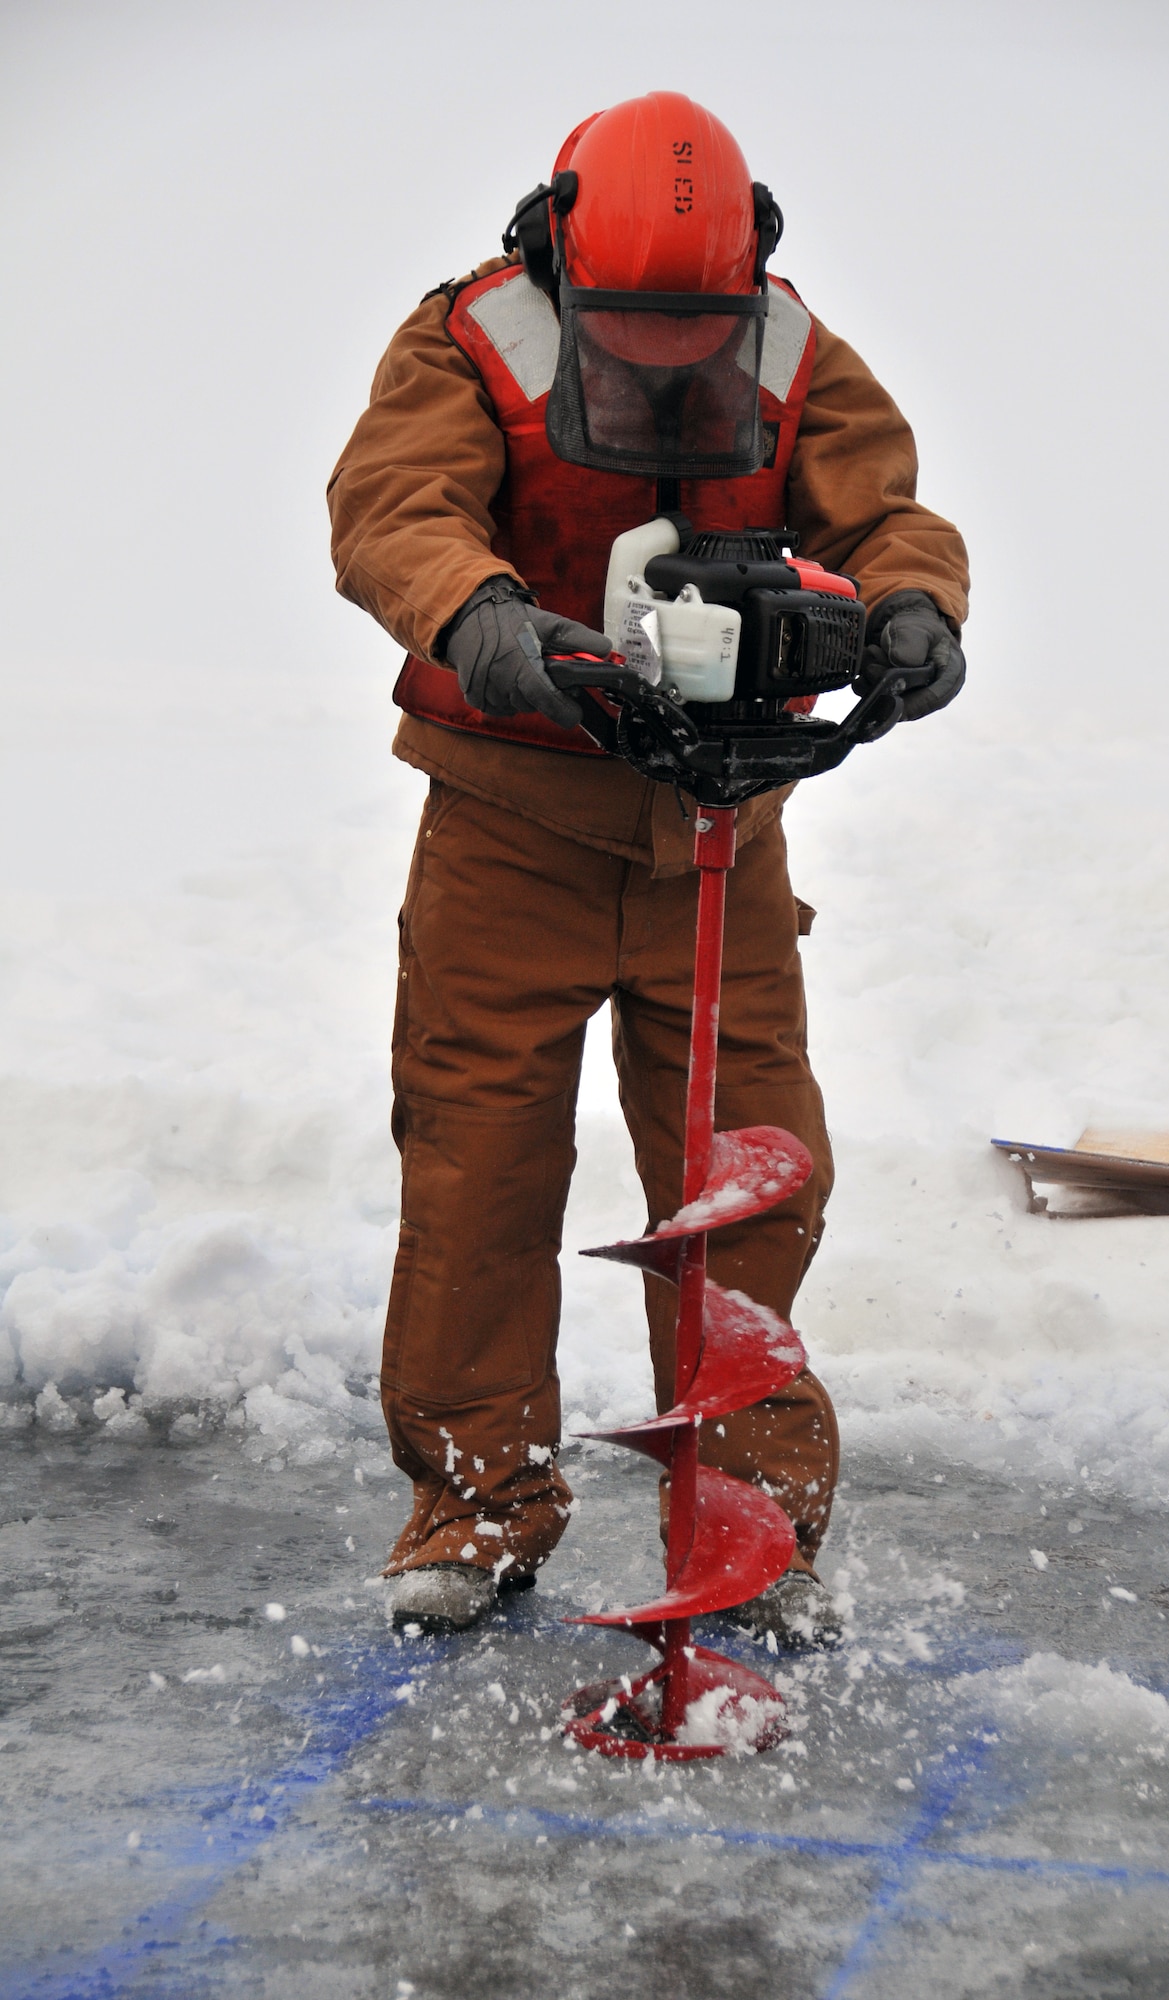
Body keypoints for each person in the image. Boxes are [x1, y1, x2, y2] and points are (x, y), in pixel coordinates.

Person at [328, 91, 969, 1646]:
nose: (676, 356)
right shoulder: (468, 343)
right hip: (513, 825)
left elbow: (882, 509)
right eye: (640, 327)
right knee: (480, 1174)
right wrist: (481, 614)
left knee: (747, 1178)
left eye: (699, 325)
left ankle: (751, 1519)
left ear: (741, 272)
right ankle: (474, 1512)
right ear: (565, 258)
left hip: (718, 837)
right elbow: (390, 506)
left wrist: (912, 607)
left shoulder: (794, 352)